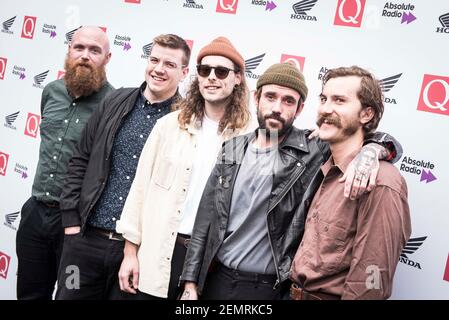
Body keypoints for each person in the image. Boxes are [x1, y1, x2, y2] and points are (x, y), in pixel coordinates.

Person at [179, 63, 402, 300]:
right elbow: (206, 218)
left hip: (268, 287)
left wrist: (374, 150)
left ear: (299, 109)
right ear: (256, 98)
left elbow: (359, 135)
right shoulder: (233, 148)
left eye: (288, 101)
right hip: (217, 278)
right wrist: (191, 282)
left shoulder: (313, 148)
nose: (277, 108)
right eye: (271, 97)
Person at [116, 36, 257, 299]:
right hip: (156, 254)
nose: (212, 77)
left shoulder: (250, 137)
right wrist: (130, 254)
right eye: (205, 70)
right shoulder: (169, 126)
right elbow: (140, 190)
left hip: (208, 264)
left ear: (238, 78)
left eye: (222, 71)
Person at [56, 34, 190, 299]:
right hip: (84, 243)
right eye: (154, 60)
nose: (159, 69)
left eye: (170, 64)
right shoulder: (115, 100)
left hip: (136, 254)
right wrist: (71, 226)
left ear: (184, 72)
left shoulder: (186, 121)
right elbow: (81, 158)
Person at [289, 66, 411, 300]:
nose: (326, 109)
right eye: (324, 99)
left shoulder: (381, 182)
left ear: (366, 114)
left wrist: (375, 149)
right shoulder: (323, 164)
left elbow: (371, 283)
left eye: (339, 101)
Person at [15, 26, 113, 300]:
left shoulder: (112, 105)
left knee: (71, 295)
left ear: (107, 58)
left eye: (94, 50)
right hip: (35, 215)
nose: (85, 55)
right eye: (79, 48)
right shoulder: (51, 91)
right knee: (30, 293)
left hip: (75, 226)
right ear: (69, 51)